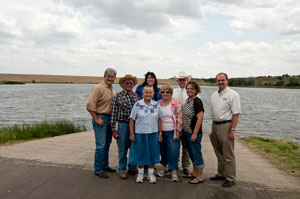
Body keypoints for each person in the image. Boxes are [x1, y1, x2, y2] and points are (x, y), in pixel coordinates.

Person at [209, 72, 241, 187]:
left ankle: (231, 178)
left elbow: (236, 114)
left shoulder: (233, 95)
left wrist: (232, 130)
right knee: (219, 152)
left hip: (226, 125)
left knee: (228, 154)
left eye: (222, 80)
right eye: (218, 80)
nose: (220, 82)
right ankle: (221, 173)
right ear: (216, 82)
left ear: (227, 81)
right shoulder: (214, 95)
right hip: (215, 125)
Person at [129, 86, 164, 184]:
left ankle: (150, 174)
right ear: (142, 94)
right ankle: (140, 174)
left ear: (153, 94)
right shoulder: (137, 105)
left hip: (153, 133)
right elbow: (131, 119)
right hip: (140, 133)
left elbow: (160, 119)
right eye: (146, 93)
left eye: (150, 93)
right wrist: (132, 133)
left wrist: (160, 133)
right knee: (140, 153)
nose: (148, 94)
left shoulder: (156, 105)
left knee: (153, 153)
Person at [86, 68, 117, 178]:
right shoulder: (98, 88)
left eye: (112, 77)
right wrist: (96, 118)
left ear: (115, 78)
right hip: (101, 118)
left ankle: (105, 165)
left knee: (107, 144)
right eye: (108, 76)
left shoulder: (112, 89)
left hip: (110, 119)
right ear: (104, 77)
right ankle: (98, 169)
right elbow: (90, 105)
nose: (110, 78)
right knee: (100, 145)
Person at [110, 74, 139, 179]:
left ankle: (132, 167)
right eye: (127, 83)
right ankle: (122, 169)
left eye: (131, 83)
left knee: (134, 148)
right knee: (122, 149)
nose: (129, 85)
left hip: (135, 126)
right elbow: (113, 114)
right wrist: (114, 129)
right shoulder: (118, 96)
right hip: (122, 125)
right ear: (123, 84)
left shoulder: (137, 97)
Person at [157, 85, 182, 182]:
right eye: (163, 92)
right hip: (161, 132)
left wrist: (177, 132)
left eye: (167, 92)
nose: (165, 94)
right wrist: (159, 133)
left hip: (172, 131)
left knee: (173, 152)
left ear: (171, 93)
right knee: (163, 151)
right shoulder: (158, 103)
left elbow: (180, 119)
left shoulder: (176, 104)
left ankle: (174, 171)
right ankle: (165, 169)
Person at [182, 81, 205, 184]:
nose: (189, 90)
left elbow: (200, 118)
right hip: (186, 132)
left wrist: (195, 133)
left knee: (197, 153)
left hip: (193, 133)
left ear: (196, 90)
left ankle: (200, 176)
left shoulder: (197, 101)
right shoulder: (187, 100)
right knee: (191, 154)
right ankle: (194, 173)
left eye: (191, 89)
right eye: (188, 88)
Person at [172, 71, 192, 175]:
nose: (182, 81)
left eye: (184, 80)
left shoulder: (191, 92)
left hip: (187, 122)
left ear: (187, 81)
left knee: (186, 146)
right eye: (180, 80)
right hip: (175, 123)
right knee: (174, 146)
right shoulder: (173, 92)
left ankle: (186, 166)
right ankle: (174, 164)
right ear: (177, 81)